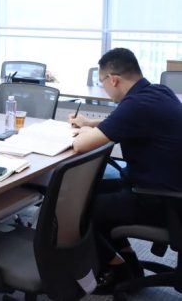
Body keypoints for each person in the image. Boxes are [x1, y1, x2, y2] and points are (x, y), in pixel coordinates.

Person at [70, 47, 182, 293]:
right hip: (168, 189)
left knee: (78, 211)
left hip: (161, 200)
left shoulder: (136, 105)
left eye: (102, 83)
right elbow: (124, 118)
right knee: (95, 191)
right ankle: (129, 264)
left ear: (113, 79)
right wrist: (91, 123)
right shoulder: (157, 92)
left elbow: (80, 145)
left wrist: (86, 131)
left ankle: (118, 270)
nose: (104, 89)